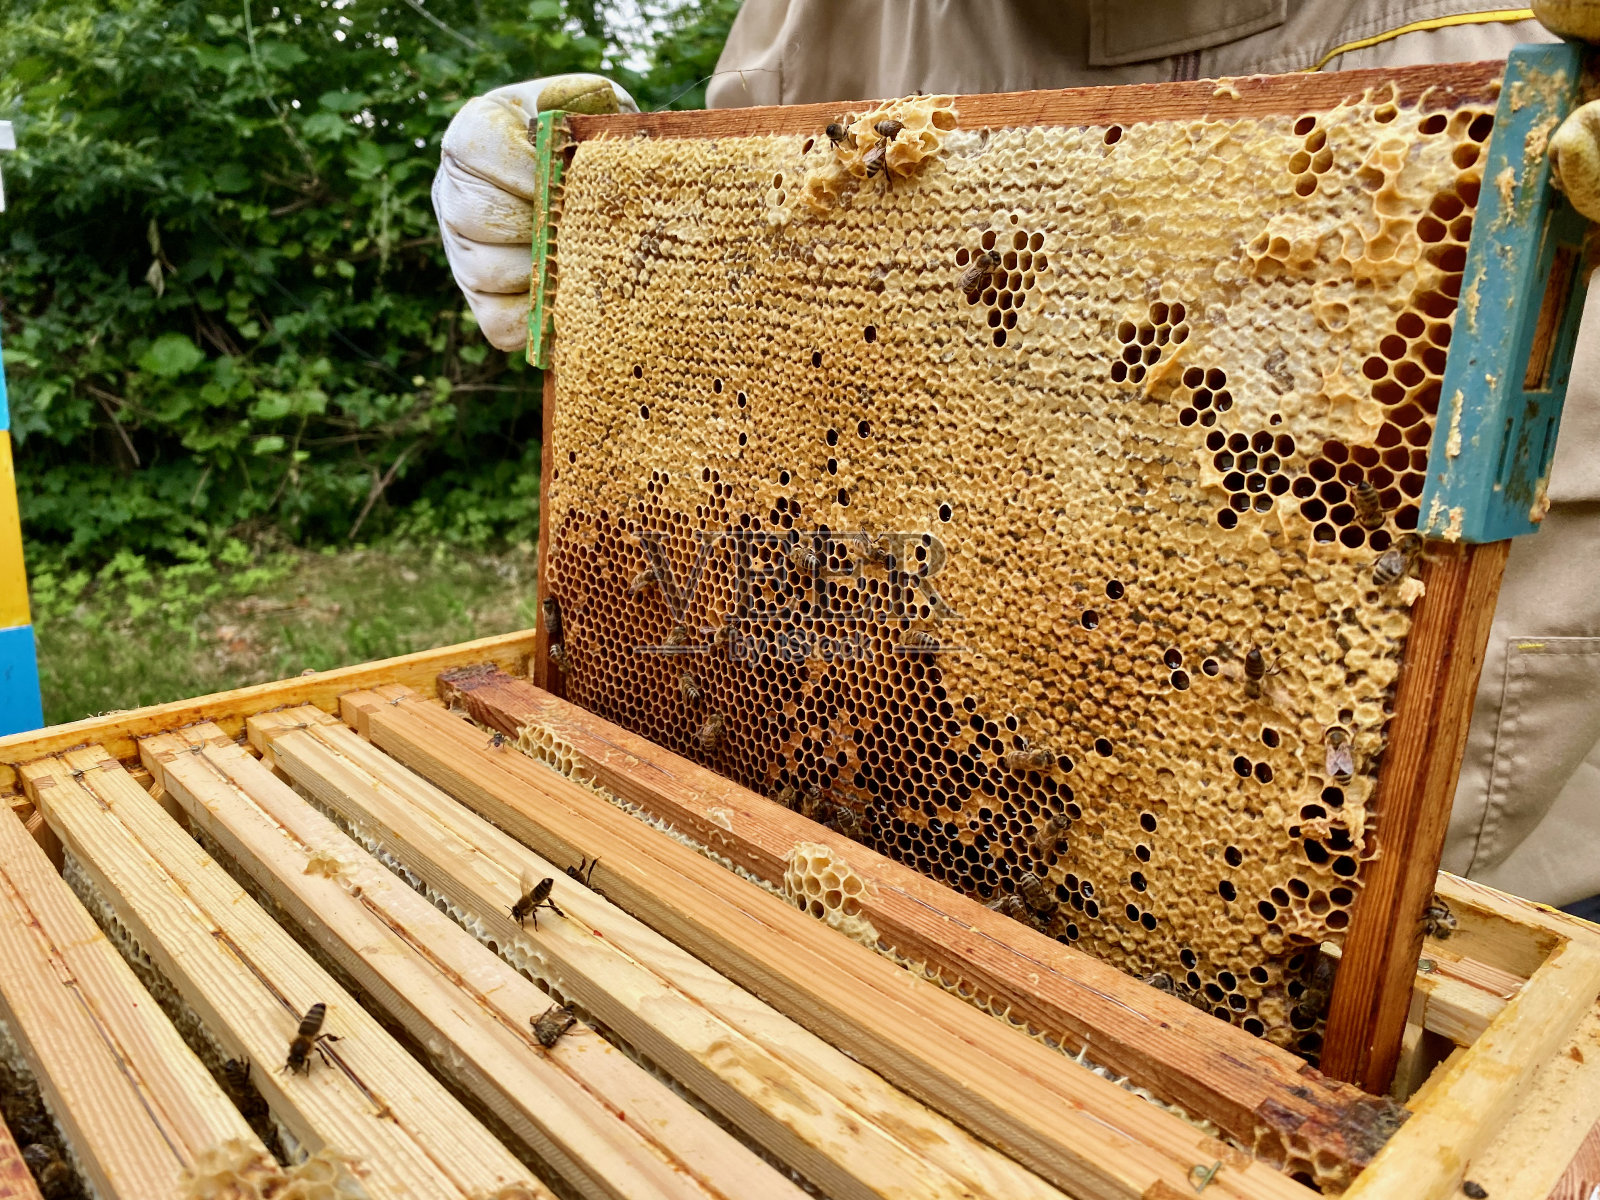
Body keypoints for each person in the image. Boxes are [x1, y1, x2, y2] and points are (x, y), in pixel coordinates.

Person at [432, 1, 1600, 919]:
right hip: (879, 827)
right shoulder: (807, 19)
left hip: (1476, 892)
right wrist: (608, 215)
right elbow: (760, 348)